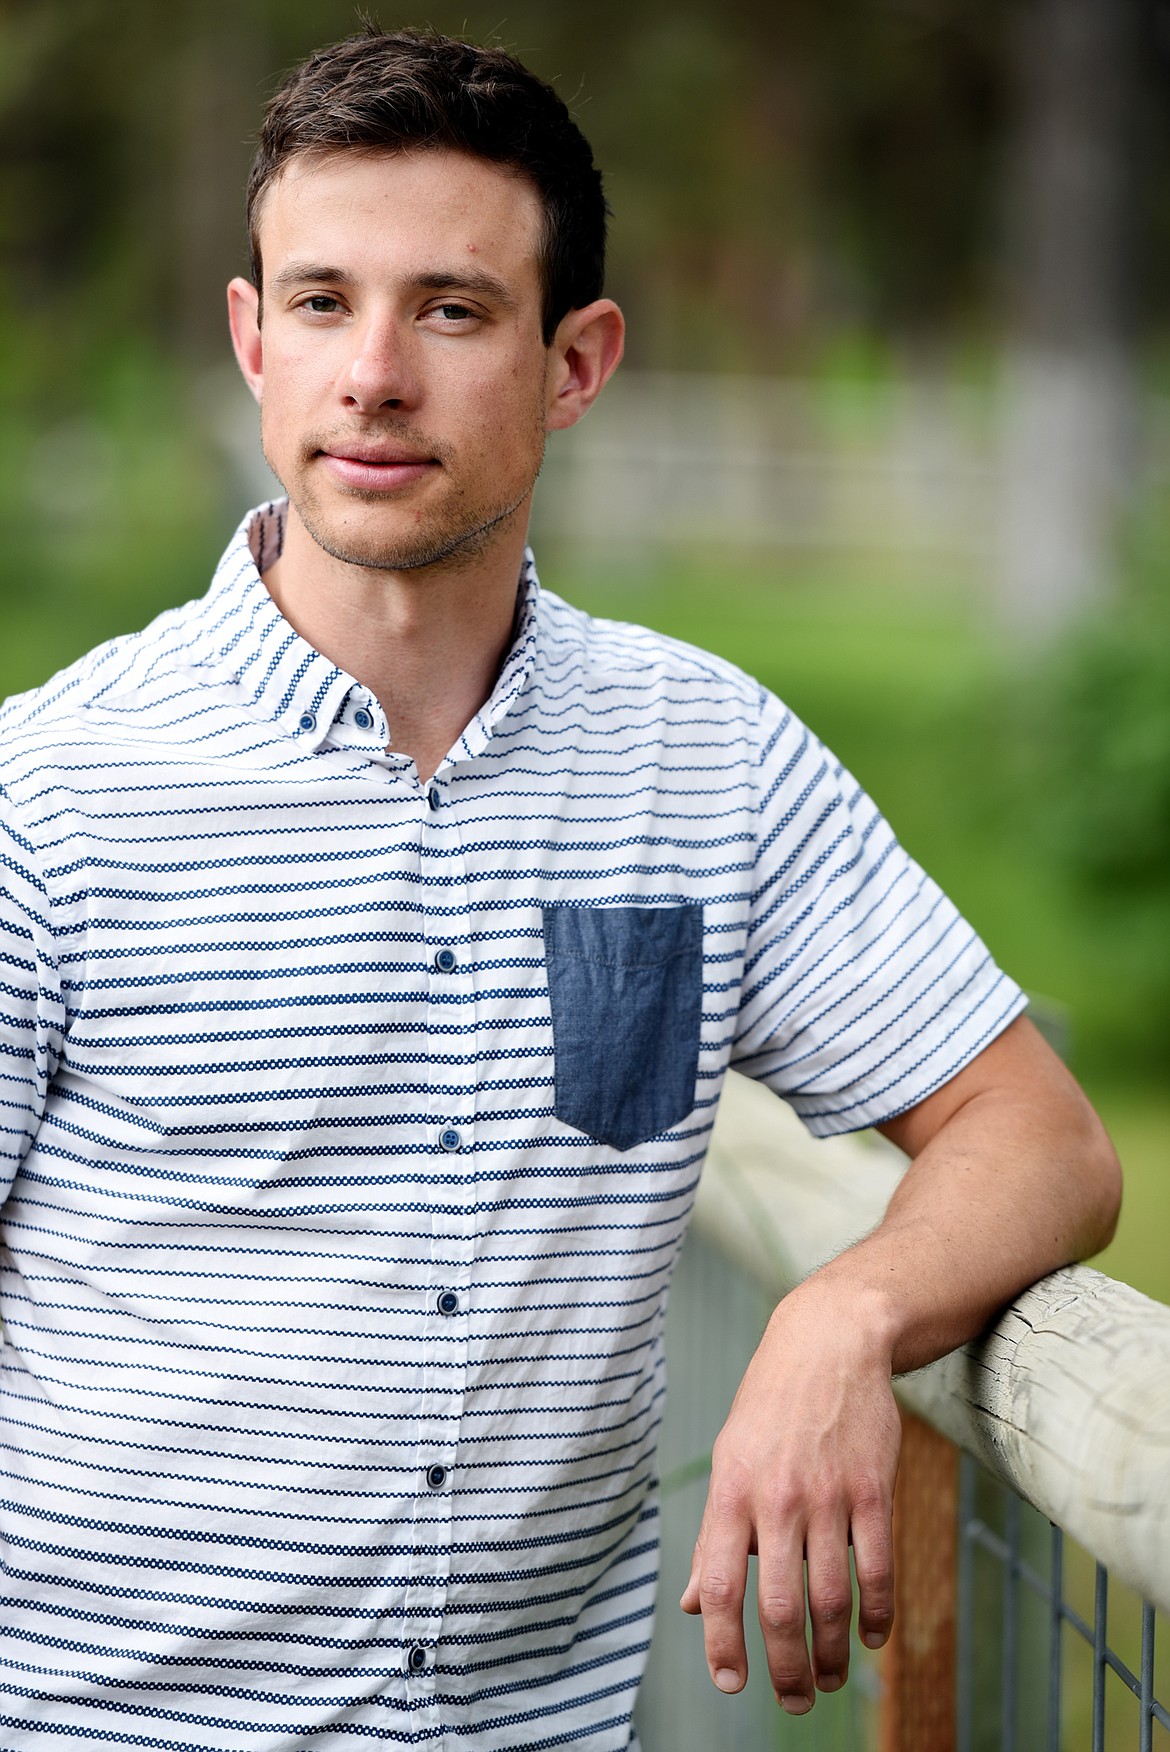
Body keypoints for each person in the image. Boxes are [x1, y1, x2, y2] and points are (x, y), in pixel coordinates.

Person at [0, 24, 1120, 1752]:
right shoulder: (51, 792)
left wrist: (847, 1313)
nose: (373, 373)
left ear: (575, 360)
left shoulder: (710, 760)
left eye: (450, 309)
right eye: (319, 303)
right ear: (249, 340)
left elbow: (1037, 1135)